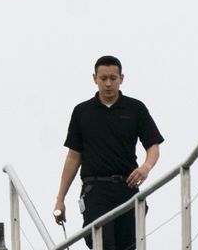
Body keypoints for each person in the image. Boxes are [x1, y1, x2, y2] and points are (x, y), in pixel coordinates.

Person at [53, 55, 164, 250]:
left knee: (129, 245)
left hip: (128, 187)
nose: (108, 83)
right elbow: (73, 156)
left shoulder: (135, 108)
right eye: (103, 78)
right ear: (94, 78)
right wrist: (60, 199)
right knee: (101, 242)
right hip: (95, 189)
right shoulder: (82, 112)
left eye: (113, 78)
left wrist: (146, 167)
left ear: (122, 78)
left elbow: (153, 145)